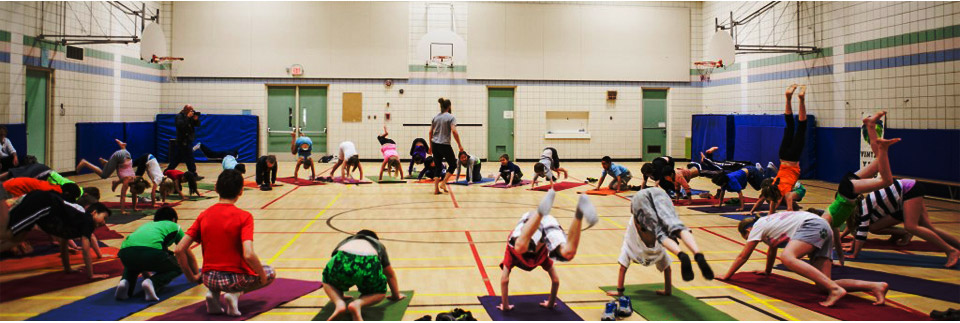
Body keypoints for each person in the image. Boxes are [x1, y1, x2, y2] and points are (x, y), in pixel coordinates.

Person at [723, 212, 889, 307]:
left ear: (748, 229)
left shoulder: (757, 227)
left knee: (787, 257)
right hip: (824, 227)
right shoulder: (769, 223)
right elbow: (771, 249)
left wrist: (726, 276)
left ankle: (836, 290)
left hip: (812, 226)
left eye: (746, 236)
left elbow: (743, 255)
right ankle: (875, 286)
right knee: (824, 283)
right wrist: (767, 271)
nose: (748, 239)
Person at [175, 170, 275, 317]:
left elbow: (179, 249)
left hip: (208, 279)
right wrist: (261, 275)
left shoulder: (204, 215)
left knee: (217, 273)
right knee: (269, 271)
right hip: (233, 280)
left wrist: (191, 277)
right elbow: (249, 254)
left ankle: (213, 294)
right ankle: (234, 294)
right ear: (241, 191)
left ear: (216, 188)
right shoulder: (244, 217)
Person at [817, 111, 903, 266]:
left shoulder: (826, 220)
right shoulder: (831, 223)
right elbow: (836, 237)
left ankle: (883, 147)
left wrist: (828, 254)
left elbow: (829, 239)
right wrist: (841, 256)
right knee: (879, 162)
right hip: (846, 187)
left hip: (848, 191)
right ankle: (871, 126)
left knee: (887, 181)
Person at [498, 190, 598, 311]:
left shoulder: (512, 253)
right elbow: (555, 280)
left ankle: (540, 213)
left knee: (519, 247)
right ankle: (579, 212)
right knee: (567, 253)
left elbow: (504, 279)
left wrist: (505, 306)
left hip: (530, 219)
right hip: (548, 221)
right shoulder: (543, 256)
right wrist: (550, 303)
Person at [847, 178, 960, 267]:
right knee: (929, 227)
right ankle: (956, 247)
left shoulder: (864, 208)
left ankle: (950, 251)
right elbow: (856, 228)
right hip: (907, 193)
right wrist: (852, 245)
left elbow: (861, 232)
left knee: (911, 227)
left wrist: (854, 254)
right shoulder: (862, 206)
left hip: (909, 190)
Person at [1, 191, 111, 279]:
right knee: (6, 233)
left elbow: (63, 244)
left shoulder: (74, 223)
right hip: (42, 203)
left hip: (43, 205)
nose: (104, 223)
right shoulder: (88, 221)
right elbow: (86, 248)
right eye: (104, 218)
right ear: (94, 213)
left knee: (18, 238)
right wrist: (91, 275)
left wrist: (67, 269)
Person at [630, 188, 713, 281]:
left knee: (660, 233)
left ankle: (681, 255)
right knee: (677, 226)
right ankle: (697, 253)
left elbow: (638, 224)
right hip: (660, 192)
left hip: (638, 199)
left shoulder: (635, 204)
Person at [321, 230, 405, 320]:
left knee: (328, 281)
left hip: (343, 256)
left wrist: (339, 293)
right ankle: (357, 304)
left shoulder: (347, 240)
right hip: (369, 260)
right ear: (375, 239)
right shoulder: (378, 244)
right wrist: (396, 296)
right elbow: (389, 274)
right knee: (379, 293)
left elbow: (335, 271)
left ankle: (339, 304)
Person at [115, 207, 191, 301]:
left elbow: (139, 251)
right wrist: (195, 275)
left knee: (133, 264)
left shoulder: (147, 225)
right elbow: (186, 252)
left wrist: (145, 273)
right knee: (179, 264)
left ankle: (125, 282)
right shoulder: (175, 226)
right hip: (151, 252)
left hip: (125, 253)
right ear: (173, 219)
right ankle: (152, 283)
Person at [605, 205, 673, 298]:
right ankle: (668, 290)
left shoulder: (640, 215)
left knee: (623, 266)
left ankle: (620, 291)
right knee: (667, 267)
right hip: (654, 249)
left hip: (636, 247)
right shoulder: (654, 214)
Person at [768, 84, 808, 212]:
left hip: (793, 159)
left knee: (801, 128)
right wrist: (770, 213)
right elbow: (773, 204)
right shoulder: (774, 186)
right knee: (790, 126)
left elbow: (788, 209)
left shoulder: (786, 192)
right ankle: (788, 98)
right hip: (782, 156)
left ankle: (801, 99)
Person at [76, 139, 137, 214]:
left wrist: (134, 207)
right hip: (118, 157)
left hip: (126, 155)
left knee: (116, 168)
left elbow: (134, 194)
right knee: (104, 175)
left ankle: (122, 147)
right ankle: (85, 163)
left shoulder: (135, 180)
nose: (134, 193)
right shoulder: (127, 181)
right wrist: (122, 211)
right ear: (133, 186)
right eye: (135, 192)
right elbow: (123, 196)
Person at [428, 98, 465, 195]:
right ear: (449, 107)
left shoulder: (435, 117)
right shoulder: (451, 117)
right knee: (453, 164)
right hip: (444, 144)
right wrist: (460, 145)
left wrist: (430, 146)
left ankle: (436, 189)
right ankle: (443, 183)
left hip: (435, 144)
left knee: (437, 166)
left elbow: (430, 132)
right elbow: (454, 131)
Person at [712, 163, 777, 211]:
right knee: (757, 188)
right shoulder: (724, 181)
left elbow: (740, 194)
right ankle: (760, 170)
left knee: (763, 183)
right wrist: (719, 204)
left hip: (752, 172)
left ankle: (769, 168)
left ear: (724, 182)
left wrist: (742, 207)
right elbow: (722, 192)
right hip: (747, 173)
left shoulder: (732, 180)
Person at [166, 105, 201, 175]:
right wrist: (188, 117)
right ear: (187, 110)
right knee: (188, 157)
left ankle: (168, 171)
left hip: (188, 140)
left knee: (179, 158)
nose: (192, 112)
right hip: (182, 141)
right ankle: (192, 172)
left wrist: (196, 119)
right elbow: (181, 125)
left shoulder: (190, 117)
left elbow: (197, 125)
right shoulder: (179, 116)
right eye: (191, 110)